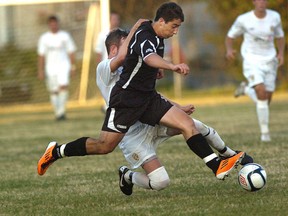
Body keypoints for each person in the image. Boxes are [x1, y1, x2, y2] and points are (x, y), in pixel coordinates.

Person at [38, 2, 244, 183]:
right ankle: (57, 151)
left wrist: (165, 86)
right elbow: (140, 56)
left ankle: (218, 164)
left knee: (189, 124)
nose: (175, 32)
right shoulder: (108, 65)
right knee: (104, 146)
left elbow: (144, 62)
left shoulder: (154, 37)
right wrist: (168, 63)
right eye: (174, 27)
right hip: (126, 104)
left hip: (146, 101)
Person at [96, 26, 253, 195]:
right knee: (160, 182)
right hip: (132, 135)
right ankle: (128, 175)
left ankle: (229, 154)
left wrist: (178, 107)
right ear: (114, 49)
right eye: (127, 44)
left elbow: (150, 96)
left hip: (150, 122)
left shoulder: (130, 69)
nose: (132, 47)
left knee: (192, 125)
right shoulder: (104, 68)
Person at [225, 0, 285, 142]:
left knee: (266, 99)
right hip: (251, 61)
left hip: (270, 61)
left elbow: (280, 36)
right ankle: (265, 134)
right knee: (261, 92)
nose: (262, 2)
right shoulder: (244, 19)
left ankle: (246, 90)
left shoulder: (274, 17)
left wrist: (281, 53)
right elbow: (230, 36)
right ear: (254, 2)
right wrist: (229, 50)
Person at [38, 15, 77, 121]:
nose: (53, 25)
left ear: (58, 24)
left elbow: (71, 51)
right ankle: (57, 112)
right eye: (51, 24)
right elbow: (41, 55)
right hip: (50, 68)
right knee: (54, 91)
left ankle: (61, 112)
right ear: (49, 25)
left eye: (55, 23)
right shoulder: (44, 38)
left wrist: (73, 66)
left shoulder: (65, 36)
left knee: (63, 87)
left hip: (63, 65)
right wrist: (40, 70)